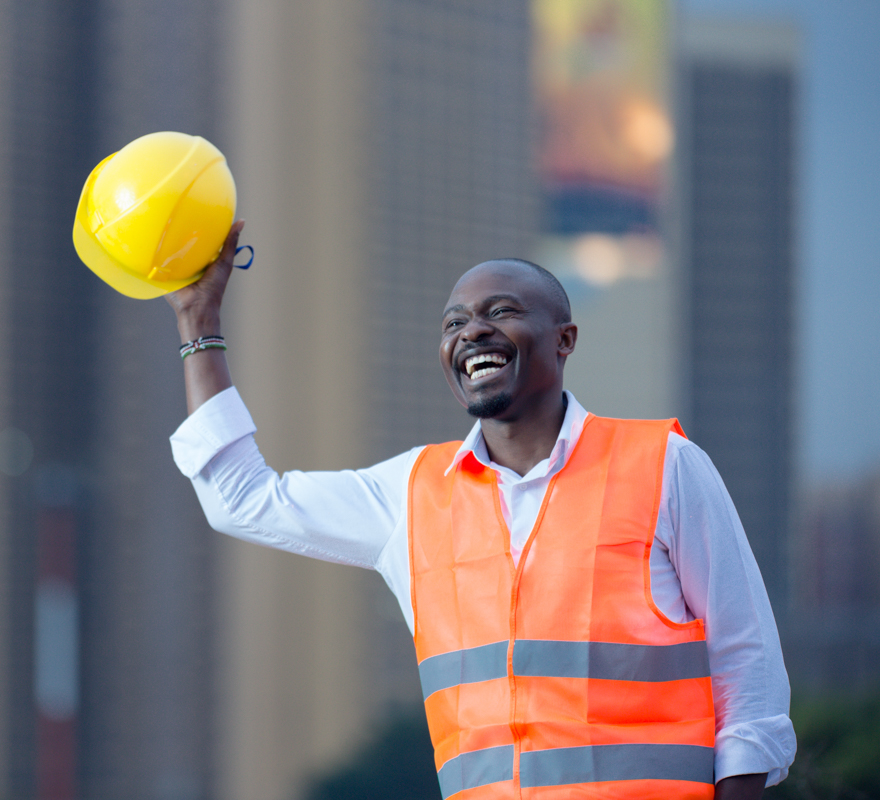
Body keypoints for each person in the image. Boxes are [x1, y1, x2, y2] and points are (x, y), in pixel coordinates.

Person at [166, 222, 796, 800]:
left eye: (502, 312)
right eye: (453, 323)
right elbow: (241, 498)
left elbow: (748, 670)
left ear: (564, 339)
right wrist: (200, 326)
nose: (471, 332)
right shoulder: (410, 494)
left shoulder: (665, 464)